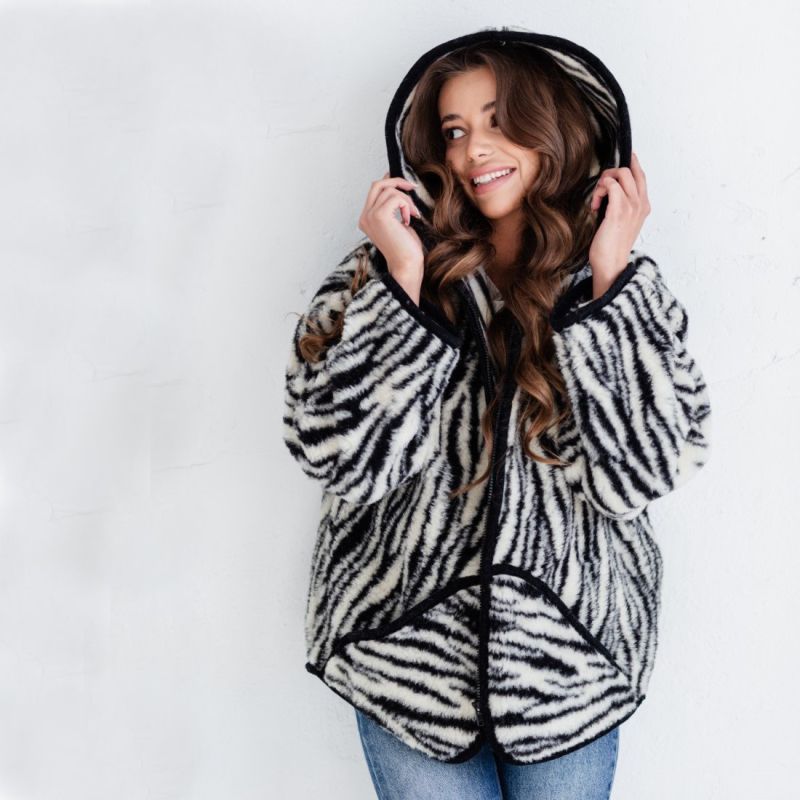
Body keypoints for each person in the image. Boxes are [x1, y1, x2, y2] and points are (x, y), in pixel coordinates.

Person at [282, 25, 712, 800]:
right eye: (454, 131)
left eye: (499, 121)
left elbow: (642, 477)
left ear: (554, 128)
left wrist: (609, 280)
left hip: (569, 668)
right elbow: (340, 460)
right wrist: (403, 283)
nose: (473, 148)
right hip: (404, 658)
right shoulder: (380, 277)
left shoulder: (619, 290)